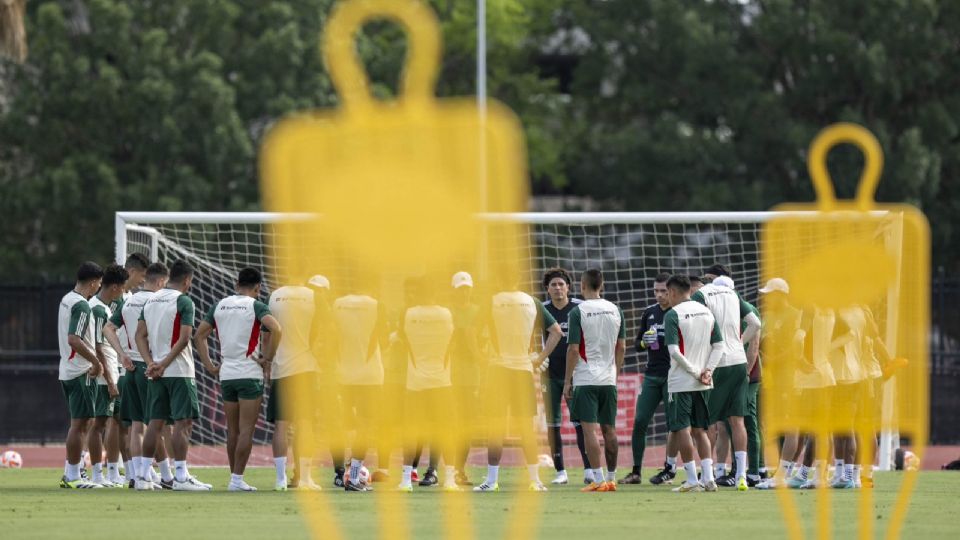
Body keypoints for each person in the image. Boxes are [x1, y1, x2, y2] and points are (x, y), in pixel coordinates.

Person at [195, 267, 280, 491]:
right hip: (249, 374)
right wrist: (267, 358)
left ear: (236, 285)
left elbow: (198, 335)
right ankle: (236, 480)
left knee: (232, 431)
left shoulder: (219, 305)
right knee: (246, 431)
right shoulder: (257, 305)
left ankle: (235, 478)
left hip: (226, 375)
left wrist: (209, 365)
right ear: (258, 288)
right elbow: (277, 329)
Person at [474, 279, 563, 492]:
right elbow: (557, 332)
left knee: (495, 427)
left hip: (498, 370)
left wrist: (481, 358)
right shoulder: (532, 302)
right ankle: (535, 481)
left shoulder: (491, 301)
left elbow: (472, 332)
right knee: (526, 429)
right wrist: (540, 357)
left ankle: (491, 481)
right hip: (523, 370)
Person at [136, 259, 211, 491]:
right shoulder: (184, 301)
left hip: (156, 372)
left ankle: (141, 477)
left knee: (155, 425)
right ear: (187, 281)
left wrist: (151, 363)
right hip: (178, 371)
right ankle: (180, 477)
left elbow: (140, 335)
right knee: (183, 423)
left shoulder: (151, 299)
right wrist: (164, 363)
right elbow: (186, 337)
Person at [693, 265, 761, 491]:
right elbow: (756, 324)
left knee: (707, 422)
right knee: (737, 421)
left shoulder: (701, 295)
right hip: (738, 361)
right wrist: (740, 342)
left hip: (716, 362)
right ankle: (741, 475)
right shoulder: (734, 295)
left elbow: (700, 325)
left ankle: (708, 475)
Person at [104, 262, 170, 490]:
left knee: (135, 426)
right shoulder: (155, 302)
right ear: (161, 282)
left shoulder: (128, 300)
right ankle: (168, 476)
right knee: (156, 424)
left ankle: (139, 476)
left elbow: (107, 329)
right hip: (147, 368)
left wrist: (122, 354)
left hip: (128, 370)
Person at [563, 269, 626, 492]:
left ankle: (598, 480)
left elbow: (572, 350)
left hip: (586, 378)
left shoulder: (578, 311)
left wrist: (567, 381)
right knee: (610, 430)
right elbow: (622, 347)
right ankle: (611, 478)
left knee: (590, 431)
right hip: (608, 380)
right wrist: (615, 374)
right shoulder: (616, 309)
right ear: (602, 285)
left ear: (581, 285)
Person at [661, 275, 724, 493]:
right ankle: (709, 478)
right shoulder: (707, 312)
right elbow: (719, 346)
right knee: (701, 431)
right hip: (704, 383)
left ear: (674, 292)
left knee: (682, 431)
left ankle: (691, 480)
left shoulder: (672, 315)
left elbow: (674, 351)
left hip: (681, 382)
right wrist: (708, 371)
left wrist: (696, 373)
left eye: (667, 293)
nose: (666, 297)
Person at [397, 277, 458, 491]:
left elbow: (403, 340)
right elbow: (453, 342)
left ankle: (405, 480)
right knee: (446, 430)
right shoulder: (446, 314)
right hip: (442, 380)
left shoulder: (409, 313)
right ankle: (450, 479)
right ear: (437, 293)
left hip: (415, 381)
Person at [266, 276, 324, 491]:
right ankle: (305, 478)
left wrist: (267, 360)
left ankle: (281, 479)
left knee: (281, 424)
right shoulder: (313, 297)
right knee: (306, 423)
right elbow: (319, 331)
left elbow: (269, 332)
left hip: (281, 367)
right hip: (306, 366)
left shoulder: (275, 296)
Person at [622, 272, 677, 485]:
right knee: (640, 421)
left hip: (674, 376)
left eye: (664, 291)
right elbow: (636, 344)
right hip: (652, 375)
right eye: (656, 291)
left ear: (672, 291)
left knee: (675, 426)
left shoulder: (679, 312)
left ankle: (669, 469)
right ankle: (636, 472)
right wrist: (645, 342)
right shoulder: (649, 313)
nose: (659, 295)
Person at [332, 285, 389, 492]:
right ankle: (354, 476)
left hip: (343, 374)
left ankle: (342, 472)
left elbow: (332, 336)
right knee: (365, 425)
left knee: (345, 424)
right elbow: (383, 338)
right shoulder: (376, 305)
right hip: (370, 376)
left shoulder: (336, 304)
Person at [539, 268, 593, 485]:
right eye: (553, 285)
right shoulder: (542, 309)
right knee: (553, 426)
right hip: (549, 376)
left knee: (581, 424)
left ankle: (589, 468)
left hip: (576, 375)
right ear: (547, 289)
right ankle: (560, 471)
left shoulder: (580, 307)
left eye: (561, 284)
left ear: (569, 287)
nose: (558, 288)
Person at [58, 262, 105, 489]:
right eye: (99, 283)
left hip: (67, 370)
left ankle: (71, 471)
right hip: (80, 370)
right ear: (94, 282)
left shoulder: (66, 299)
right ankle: (74, 475)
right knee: (81, 424)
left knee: (81, 423)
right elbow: (74, 339)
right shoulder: (82, 306)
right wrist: (96, 361)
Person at [88, 263, 130, 487]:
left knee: (116, 422)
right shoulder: (97, 309)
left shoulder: (103, 308)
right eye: (122, 288)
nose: (123, 292)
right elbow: (96, 345)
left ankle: (113, 473)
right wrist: (111, 381)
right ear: (115, 287)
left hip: (112, 372)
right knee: (99, 424)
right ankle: (97, 474)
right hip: (105, 377)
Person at [448, 271, 484, 486]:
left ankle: (459, 469)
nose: (464, 292)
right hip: (447, 376)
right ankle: (436, 470)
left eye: (467, 288)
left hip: (471, 377)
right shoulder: (447, 312)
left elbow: (482, 340)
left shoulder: (479, 312)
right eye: (460, 288)